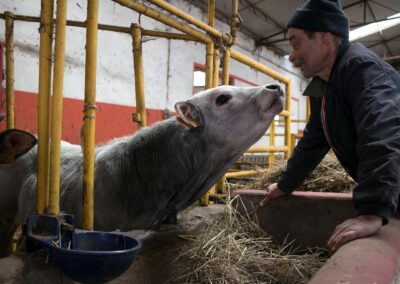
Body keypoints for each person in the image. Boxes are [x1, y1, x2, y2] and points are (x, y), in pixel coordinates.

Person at [260, 0, 400, 254]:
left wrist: (372, 211)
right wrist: (285, 184)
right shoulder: (322, 87)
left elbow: (381, 133)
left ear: (324, 37)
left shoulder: (362, 70)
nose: (291, 55)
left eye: (295, 42)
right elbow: (314, 140)